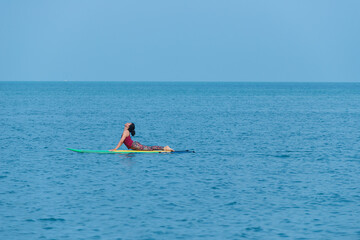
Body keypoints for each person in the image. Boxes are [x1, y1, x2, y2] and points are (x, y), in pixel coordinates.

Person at [109, 123, 174, 151]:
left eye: (129, 123)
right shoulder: (126, 131)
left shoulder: (125, 132)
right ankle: (164, 147)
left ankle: (165, 148)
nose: (127, 123)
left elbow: (121, 141)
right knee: (149, 147)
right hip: (134, 144)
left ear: (128, 126)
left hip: (134, 145)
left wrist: (115, 149)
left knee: (150, 148)